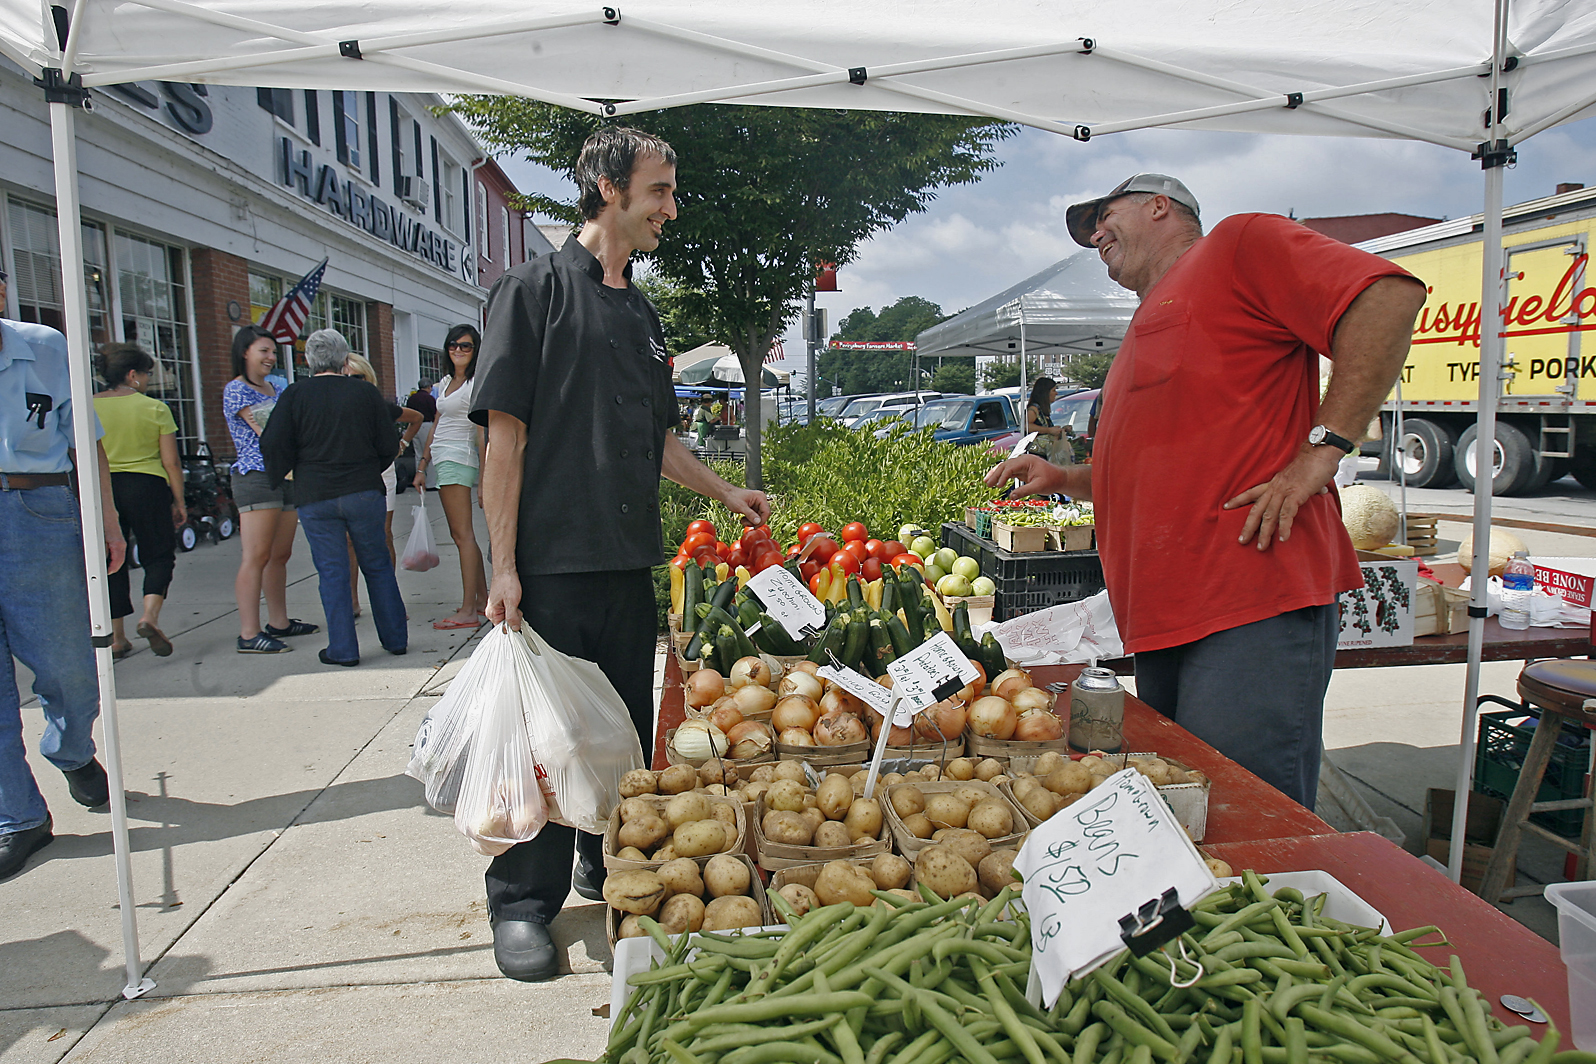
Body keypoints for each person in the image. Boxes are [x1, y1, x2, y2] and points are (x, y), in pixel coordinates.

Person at [985, 173, 1426, 808]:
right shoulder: (1149, 316)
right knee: (1189, 812)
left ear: (1160, 206)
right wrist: (1071, 480)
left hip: (1246, 602)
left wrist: (1322, 450)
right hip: (1164, 617)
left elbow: (1386, 297)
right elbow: (1170, 459)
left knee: (1244, 815)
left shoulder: (1237, 245)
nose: (1095, 236)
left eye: (1104, 217)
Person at [471, 126, 770, 981]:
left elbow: (659, 441)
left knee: (620, 738)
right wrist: (502, 564)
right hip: (552, 562)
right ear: (607, 187)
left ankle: (604, 864)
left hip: (625, 562)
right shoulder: (530, 292)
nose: (671, 209)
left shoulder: (642, 312)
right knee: (545, 741)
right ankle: (523, 900)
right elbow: (505, 438)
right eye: (659, 192)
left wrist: (725, 494)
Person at [0, 292, 127, 880]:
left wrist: (107, 519)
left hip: (35, 508)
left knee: (69, 667)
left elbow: (87, 443)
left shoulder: (45, 347)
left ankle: (71, 748)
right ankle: (19, 817)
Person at [260, 330, 407, 666]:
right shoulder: (365, 394)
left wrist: (285, 474)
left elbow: (272, 442)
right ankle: (395, 638)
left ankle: (343, 648)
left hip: (316, 494)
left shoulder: (295, 395)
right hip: (364, 491)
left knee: (332, 572)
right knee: (378, 564)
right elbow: (389, 442)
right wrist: (371, 468)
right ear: (345, 360)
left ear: (308, 361)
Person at [223, 325, 318, 653]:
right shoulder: (236, 390)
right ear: (244, 352)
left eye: (273, 352)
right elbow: (269, 428)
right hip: (256, 476)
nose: (270, 357)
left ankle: (279, 621)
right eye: (263, 350)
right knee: (256, 555)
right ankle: (248, 634)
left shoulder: (277, 386)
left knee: (280, 554)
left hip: (287, 476)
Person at [93, 343, 186, 658]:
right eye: (146, 374)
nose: (148, 380)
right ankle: (150, 617)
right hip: (148, 486)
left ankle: (117, 637)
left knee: (111, 560)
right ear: (132, 375)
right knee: (158, 554)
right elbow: (171, 462)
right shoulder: (155, 408)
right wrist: (180, 501)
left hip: (103, 488)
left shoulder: (87, 407)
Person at [412, 325, 486, 630]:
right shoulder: (447, 382)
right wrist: (422, 465)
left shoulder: (475, 383)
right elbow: (436, 424)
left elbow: (482, 430)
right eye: (453, 345)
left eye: (466, 346)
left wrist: (485, 477)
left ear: (475, 350)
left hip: (459, 458)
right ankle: (480, 600)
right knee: (462, 535)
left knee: (462, 535)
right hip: (442, 460)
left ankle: (469, 610)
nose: (458, 350)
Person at [342, 354, 422, 613]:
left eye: (357, 377)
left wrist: (402, 444)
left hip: (381, 473)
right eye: (345, 377)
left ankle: (389, 601)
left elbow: (416, 418)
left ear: (368, 379)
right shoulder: (336, 406)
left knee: (383, 534)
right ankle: (352, 600)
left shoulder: (377, 405)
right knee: (349, 540)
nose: (351, 382)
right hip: (350, 475)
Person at [1022, 376, 1073, 466]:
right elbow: (1027, 426)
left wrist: (1061, 430)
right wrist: (1049, 430)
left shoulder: (1042, 410)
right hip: (1037, 457)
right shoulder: (1033, 409)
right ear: (1045, 393)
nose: (1056, 393)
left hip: (1045, 455)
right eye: (1053, 390)